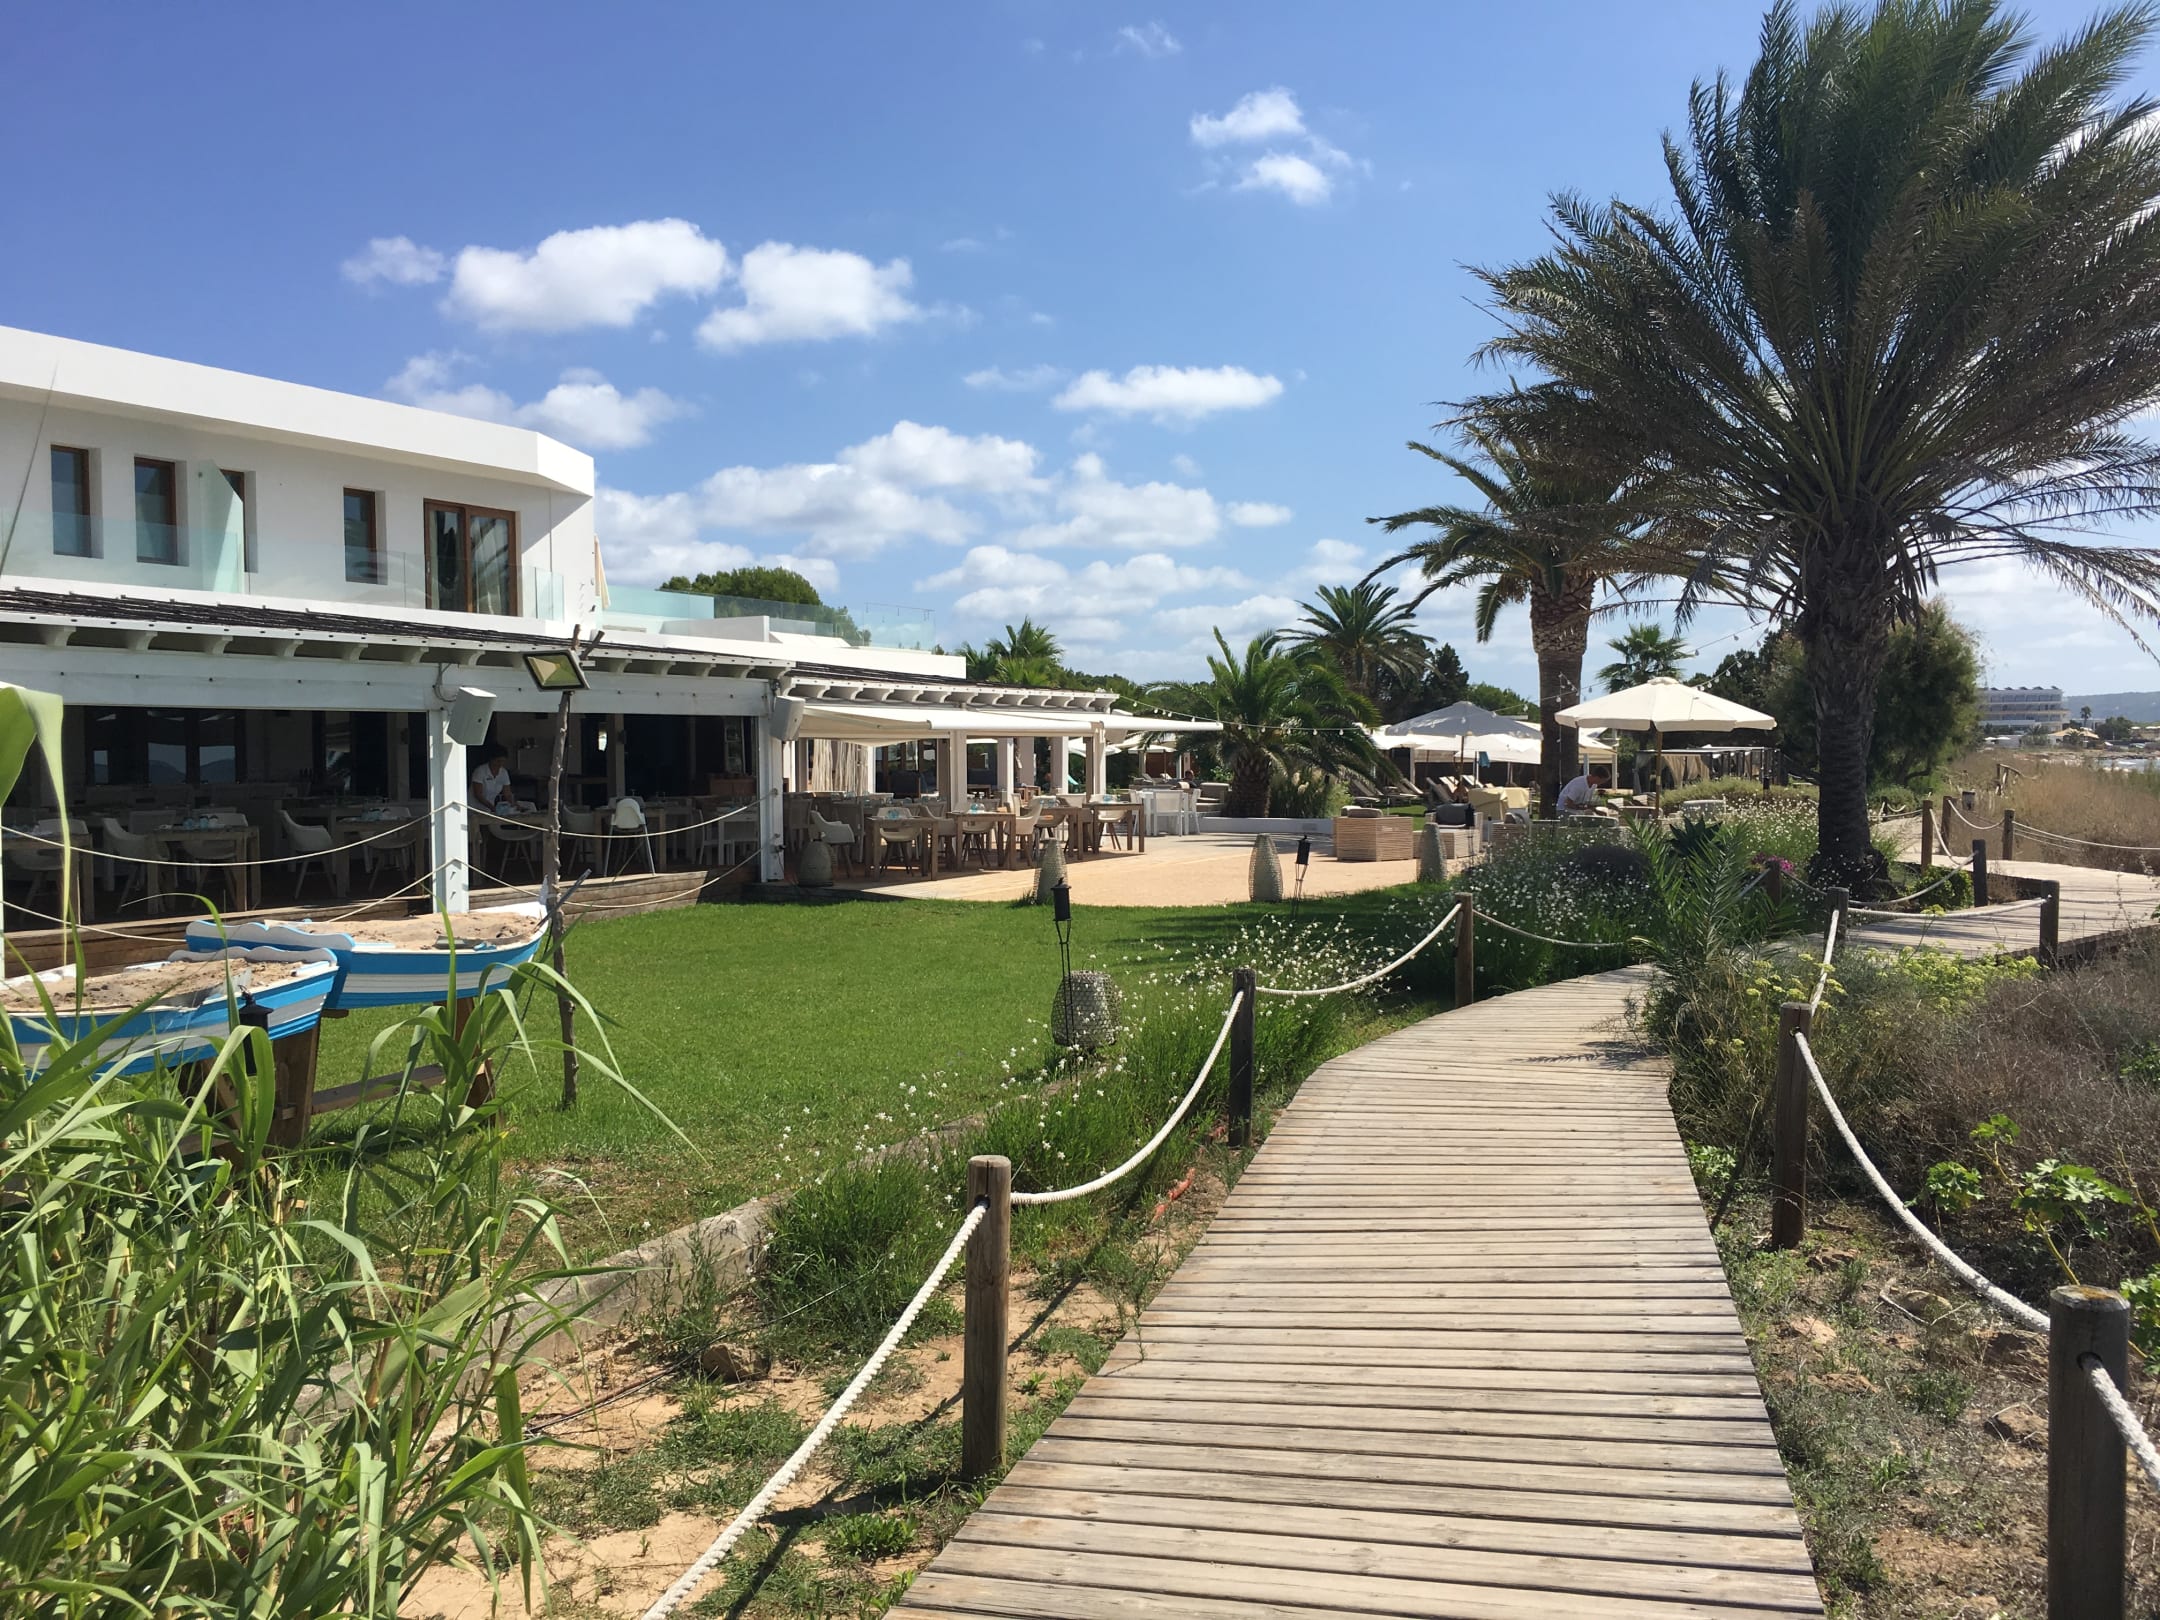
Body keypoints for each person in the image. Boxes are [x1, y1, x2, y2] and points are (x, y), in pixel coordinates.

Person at [470, 746, 515, 812]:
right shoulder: (480, 771)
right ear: (491, 759)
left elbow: (507, 794)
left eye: (503, 761)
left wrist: (514, 805)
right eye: (498, 761)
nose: (500, 764)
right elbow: (478, 794)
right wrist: (493, 808)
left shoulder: (503, 772)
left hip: (489, 809)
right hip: (474, 808)